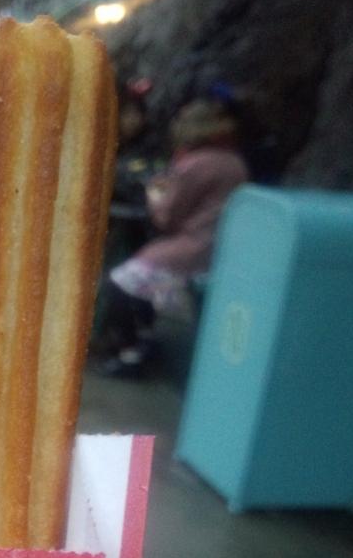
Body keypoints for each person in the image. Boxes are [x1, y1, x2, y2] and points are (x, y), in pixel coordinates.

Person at [96, 94, 249, 376]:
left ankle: (133, 350)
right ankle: (141, 340)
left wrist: (154, 193)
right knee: (142, 283)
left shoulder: (193, 164)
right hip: (220, 248)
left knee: (120, 283)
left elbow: (165, 218)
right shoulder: (234, 163)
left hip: (190, 249)